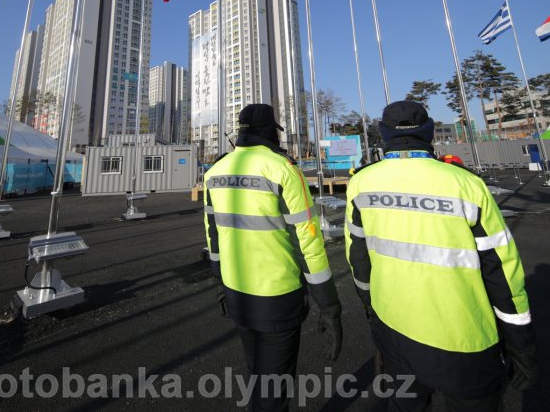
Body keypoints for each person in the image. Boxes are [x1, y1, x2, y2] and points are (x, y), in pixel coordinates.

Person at [344, 101, 536, 411]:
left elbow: (359, 258)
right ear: (429, 131)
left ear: (383, 134)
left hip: (393, 327)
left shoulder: (362, 183)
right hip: (464, 339)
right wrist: (521, 342)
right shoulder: (465, 184)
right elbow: (502, 271)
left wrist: (370, 306)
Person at [203, 103, 343, 411]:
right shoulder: (282, 169)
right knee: (274, 388)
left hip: (235, 292)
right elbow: (308, 241)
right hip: (277, 296)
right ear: (270, 132)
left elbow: (212, 235)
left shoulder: (215, 171)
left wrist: (219, 281)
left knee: (258, 374)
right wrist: (328, 303)